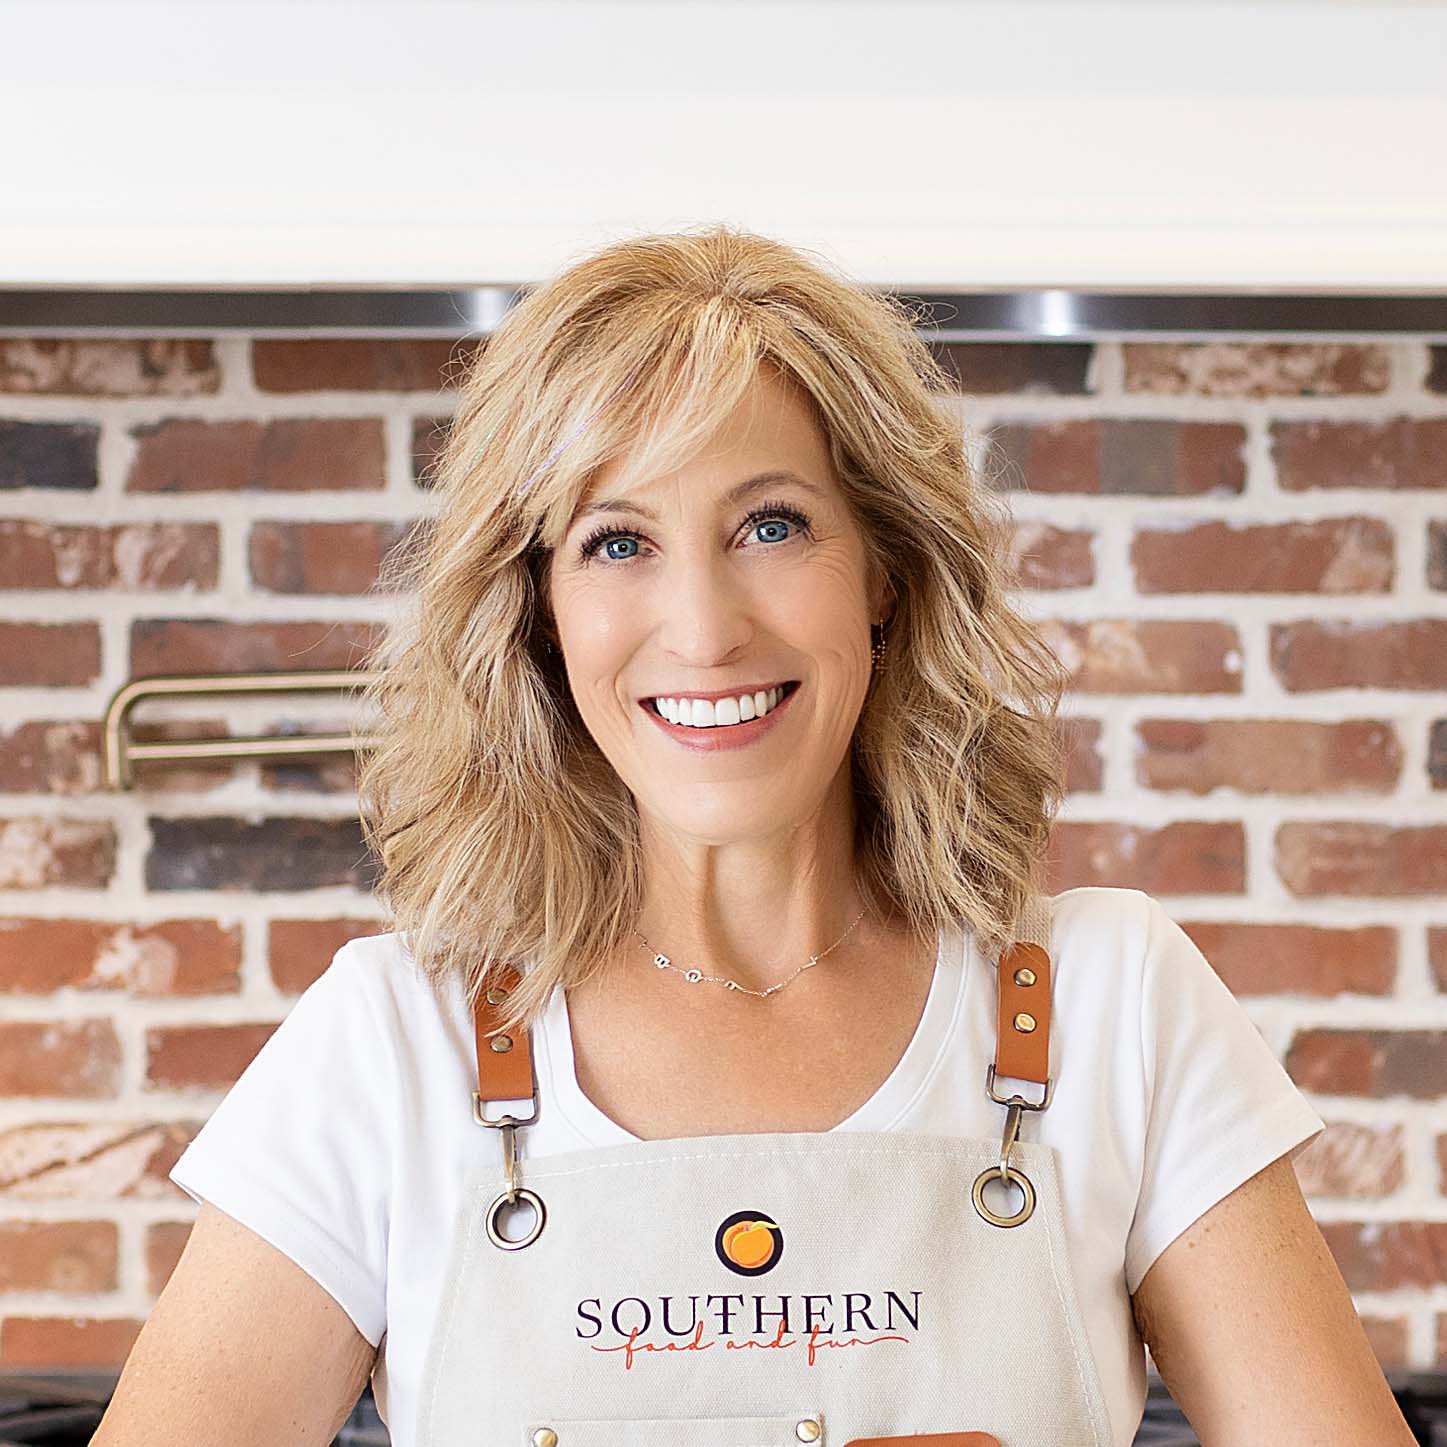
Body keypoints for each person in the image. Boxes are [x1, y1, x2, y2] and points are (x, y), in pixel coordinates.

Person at [93, 225, 1413, 1447]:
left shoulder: (1113, 1010)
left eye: (770, 525)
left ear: (882, 568)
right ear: (539, 614)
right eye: (618, 542)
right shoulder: (392, 1049)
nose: (706, 626)